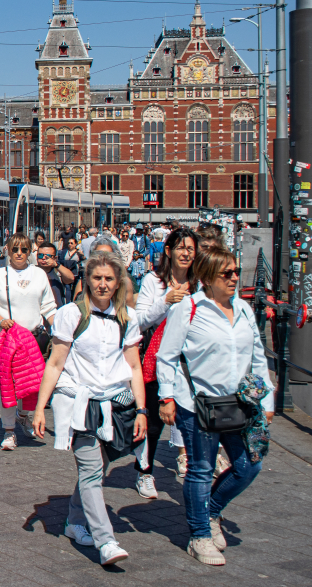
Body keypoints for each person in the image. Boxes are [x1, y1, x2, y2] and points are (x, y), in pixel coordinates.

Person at [156, 247, 274, 566]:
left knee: (249, 465)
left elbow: (258, 357)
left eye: (236, 271)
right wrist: (167, 397)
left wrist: (267, 399)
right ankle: (199, 535)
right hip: (198, 403)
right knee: (201, 469)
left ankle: (210, 512)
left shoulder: (244, 309)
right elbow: (167, 356)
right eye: (227, 273)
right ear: (208, 278)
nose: (234, 277)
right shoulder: (189, 308)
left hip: (239, 404)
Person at [31, 251, 145, 566]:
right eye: (97, 278)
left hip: (115, 403)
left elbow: (134, 367)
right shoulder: (71, 314)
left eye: (109, 278)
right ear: (87, 280)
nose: (103, 284)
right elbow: (55, 364)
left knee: (98, 468)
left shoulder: (127, 317)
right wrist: (40, 408)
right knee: (92, 471)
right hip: (79, 404)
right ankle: (106, 541)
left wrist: (142, 410)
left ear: (118, 282)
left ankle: (74, 520)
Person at [134, 227, 198, 491]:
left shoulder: (200, 283)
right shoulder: (153, 281)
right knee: (153, 421)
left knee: (192, 417)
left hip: (191, 361)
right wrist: (166, 300)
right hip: (158, 358)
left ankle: (193, 465)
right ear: (169, 251)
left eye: (191, 248)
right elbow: (140, 321)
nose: (186, 253)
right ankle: (144, 471)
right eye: (181, 248)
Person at [0, 233, 57, 450]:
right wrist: (1, 320)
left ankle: (22, 416)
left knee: (33, 384)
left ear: (30, 251)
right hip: (8, 339)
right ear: (8, 250)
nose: (19, 253)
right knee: (9, 385)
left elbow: (48, 306)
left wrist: (59, 329)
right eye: (15, 249)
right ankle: (9, 431)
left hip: (33, 339)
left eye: (24, 249)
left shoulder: (39, 274)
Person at [36, 242, 75, 309]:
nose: (43, 258)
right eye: (40, 255)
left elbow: (71, 278)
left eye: (48, 256)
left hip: (57, 311)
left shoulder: (58, 271)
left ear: (55, 258)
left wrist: (56, 265)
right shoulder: (32, 271)